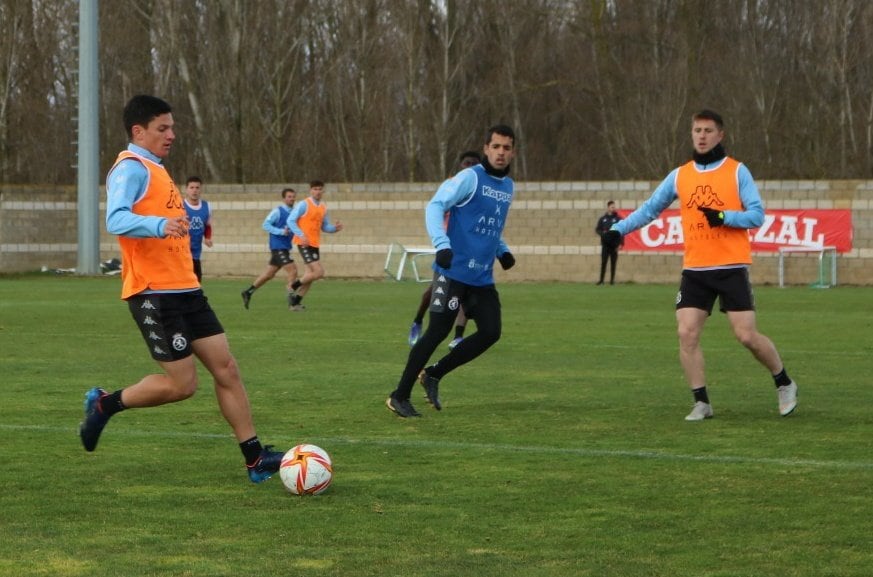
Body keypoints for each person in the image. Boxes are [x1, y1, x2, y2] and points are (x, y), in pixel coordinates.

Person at [79, 94, 284, 484]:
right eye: (163, 128)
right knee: (182, 385)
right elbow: (116, 218)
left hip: (187, 290)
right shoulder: (131, 168)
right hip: (153, 294)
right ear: (138, 131)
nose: (171, 134)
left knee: (227, 369)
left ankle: (255, 460)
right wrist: (159, 225)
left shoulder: (157, 170)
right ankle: (105, 404)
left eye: (172, 127)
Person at [605, 109, 798, 421]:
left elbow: (757, 215)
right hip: (695, 269)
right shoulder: (680, 175)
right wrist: (618, 229)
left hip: (731, 266)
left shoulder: (737, 172)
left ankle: (784, 382)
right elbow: (651, 208)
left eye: (708, 130)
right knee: (687, 333)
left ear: (720, 135)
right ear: (692, 134)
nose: (702, 135)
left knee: (746, 336)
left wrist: (725, 216)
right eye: (697, 130)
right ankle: (702, 402)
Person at [386, 125, 517, 418]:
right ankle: (399, 395)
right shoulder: (469, 178)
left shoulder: (508, 186)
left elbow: (490, 223)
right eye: (495, 146)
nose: (500, 152)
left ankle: (433, 373)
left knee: (491, 332)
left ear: (513, 151)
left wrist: (502, 250)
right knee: (436, 333)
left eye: (506, 148)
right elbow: (435, 205)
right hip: (452, 272)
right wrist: (441, 244)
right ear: (486, 148)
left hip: (482, 278)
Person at [407, 150, 482, 348]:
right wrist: (442, 241)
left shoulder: (481, 191)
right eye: (466, 163)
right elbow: (436, 208)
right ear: (460, 165)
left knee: (465, 292)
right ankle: (418, 320)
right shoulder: (451, 186)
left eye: (474, 164)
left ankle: (458, 336)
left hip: (469, 250)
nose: (469, 167)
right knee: (435, 291)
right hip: (449, 249)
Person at [286, 180, 343, 311]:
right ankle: (292, 287)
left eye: (320, 189)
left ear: (323, 191)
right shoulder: (304, 204)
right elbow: (290, 220)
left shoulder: (323, 207)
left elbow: (325, 226)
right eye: (315, 189)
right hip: (303, 243)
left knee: (310, 276)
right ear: (311, 190)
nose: (317, 191)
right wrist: (301, 235)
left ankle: (294, 303)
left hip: (314, 243)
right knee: (319, 272)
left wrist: (335, 228)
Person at [241, 188, 299, 309]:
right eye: (289, 196)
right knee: (293, 270)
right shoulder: (278, 211)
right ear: (284, 198)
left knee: (268, 275)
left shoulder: (295, 213)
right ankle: (291, 300)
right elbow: (265, 225)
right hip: (278, 247)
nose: (292, 198)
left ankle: (248, 292)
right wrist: (281, 231)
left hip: (285, 247)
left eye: (293, 196)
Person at [183, 176, 212, 281]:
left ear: (201, 189)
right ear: (186, 189)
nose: (194, 190)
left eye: (197, 187)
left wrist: (207, 237)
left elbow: (207, 225)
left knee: (196, 283)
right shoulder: (180, 206)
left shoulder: (207, 206)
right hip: (181, 253)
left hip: (196, 253)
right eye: (191, 187)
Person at [594, 200, 622, 285]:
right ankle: (601, 280)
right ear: (608, 208)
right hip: (605, 245)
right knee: (603, 262)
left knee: (613, 263)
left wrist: (620, 243)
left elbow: (621, 231)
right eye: (612, 207)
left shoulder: (617, 219)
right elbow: (597, 229)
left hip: (614, 245)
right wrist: (602, 234)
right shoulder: (603, 219)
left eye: (614, 207)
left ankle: (612, 281)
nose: (613, 208)